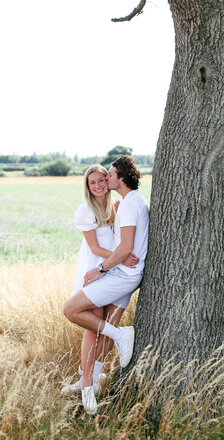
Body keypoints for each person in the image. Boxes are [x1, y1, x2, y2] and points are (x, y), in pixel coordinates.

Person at [63, 155, 149, 415]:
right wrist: (107, 264)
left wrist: (118, 257)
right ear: (87, 187)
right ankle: (86, 384)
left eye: (105, 177)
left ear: (117, 178)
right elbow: (98, 247)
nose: (101, 183)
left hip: (114, 270)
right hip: (99, 269)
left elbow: (124, 244)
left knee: (107, 327)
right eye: (94, 182)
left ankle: (93, 378)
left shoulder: (122, 205)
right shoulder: (88, 211)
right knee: (92, 326)